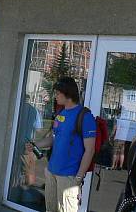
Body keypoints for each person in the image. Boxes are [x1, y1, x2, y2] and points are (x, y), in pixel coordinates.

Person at [30, 77, 96, 212]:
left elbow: (90, 150)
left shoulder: (85, 116)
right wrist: (35, 144)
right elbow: (53, 139)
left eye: (58, 93)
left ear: (68, 94)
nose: (55, 96)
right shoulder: (61, 113)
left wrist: (78, 178)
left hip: (69, 176)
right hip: (51, 172)